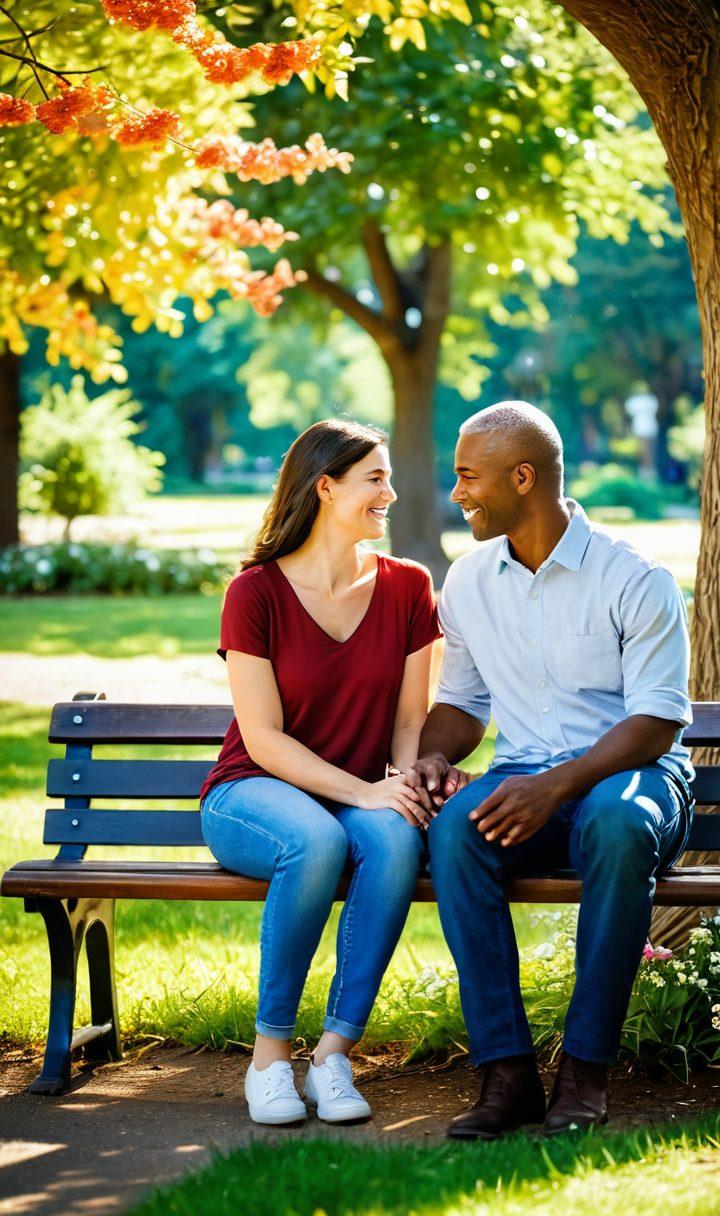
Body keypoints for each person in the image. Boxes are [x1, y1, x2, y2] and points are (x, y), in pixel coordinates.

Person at [407, 400, 696, 1139]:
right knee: (454, 837)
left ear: (523, 477)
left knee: (617, 822)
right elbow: (464, 705)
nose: (458, 492)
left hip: (636, 779)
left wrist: (557, 785)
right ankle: (506, 1076)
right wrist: (435, 753)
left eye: (469, 476)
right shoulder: (470, 580)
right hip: (530, 781)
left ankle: (585, 1073)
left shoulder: (636, 578)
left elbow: (657, 721)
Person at [200, 419, 442, 1127]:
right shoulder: (256, 592)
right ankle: (270, 1059)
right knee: (315, 842)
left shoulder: (408, 588)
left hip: (352, 796)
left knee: (395, 840)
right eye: (375, 479)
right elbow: (265, 739)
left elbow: (407, 723)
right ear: (325, 486)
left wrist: (395, 789)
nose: (390, 493)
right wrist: (366, 792)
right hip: (252, 793)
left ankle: (334, 1054)